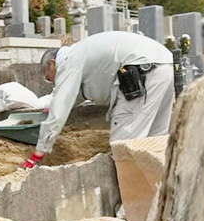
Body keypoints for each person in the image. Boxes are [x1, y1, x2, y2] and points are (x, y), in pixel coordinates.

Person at [21, 31, 175, 169]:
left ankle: (132, 196)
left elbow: (60, 107)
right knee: (156, 140)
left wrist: (39, 152)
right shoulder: (80, 54)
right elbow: (76, 95)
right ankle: (160, 192)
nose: (54, 83)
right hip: (163, 63)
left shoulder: (67, 62)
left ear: (53, 63)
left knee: (123, 144)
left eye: (50, 78)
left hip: (139, 72)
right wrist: (52, 107)